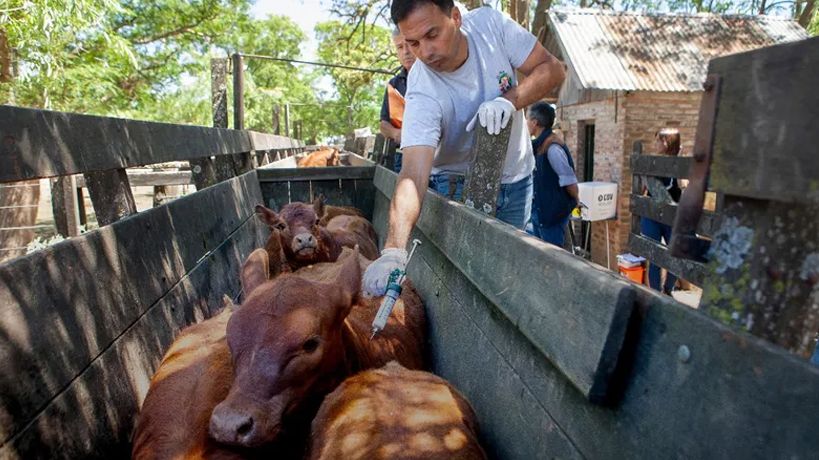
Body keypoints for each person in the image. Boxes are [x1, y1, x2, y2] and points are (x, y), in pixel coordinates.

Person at [362, 0, 565, 296]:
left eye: (432, 35)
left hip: (517, 178)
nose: (425, 53)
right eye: (413, 43)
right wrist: (393, 250)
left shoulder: (492, 27)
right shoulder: (422, 88)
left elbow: (553, 69)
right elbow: (413, 175)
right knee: (462, 287)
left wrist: (509, 101)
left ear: (455, 17)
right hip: (454, 186)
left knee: (508, 281)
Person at [525, 102, 578, 247]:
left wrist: (574, 201)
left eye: (527, 119)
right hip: (541, 214)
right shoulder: (539, 145)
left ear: (534, 123)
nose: (525, 123)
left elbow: (570, 182)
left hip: (552, 215)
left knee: (554, 259)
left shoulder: (552, 147)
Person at [641, 128, 682, 294]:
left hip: (672, 215)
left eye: (658, 140)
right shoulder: (653, 162)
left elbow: (683, 186)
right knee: (654, 256)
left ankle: (667, 290)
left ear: (667, 142)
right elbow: (644, 188)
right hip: (652, 214)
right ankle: (656, 294)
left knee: (677, 256)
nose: (655, 144)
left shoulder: (680, 164)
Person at [379, 28, 417, 173]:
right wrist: (397, 134)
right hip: (401, 157)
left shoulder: (435, 76)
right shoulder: (394, 85)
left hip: (436, 158)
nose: (406, 52)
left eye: (409, 44)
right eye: (400, 47)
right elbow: (383, 124)